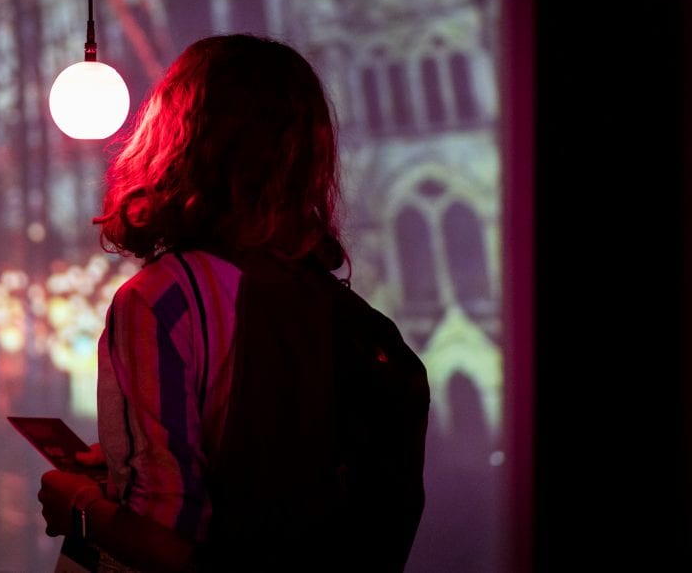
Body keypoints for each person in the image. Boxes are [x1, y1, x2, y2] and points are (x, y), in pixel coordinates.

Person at [37, 34, 426, 572]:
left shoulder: (163, 300)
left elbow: (168, 544)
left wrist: (78, 505)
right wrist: (131, 456)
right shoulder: (330, 305)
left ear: (176, 138)